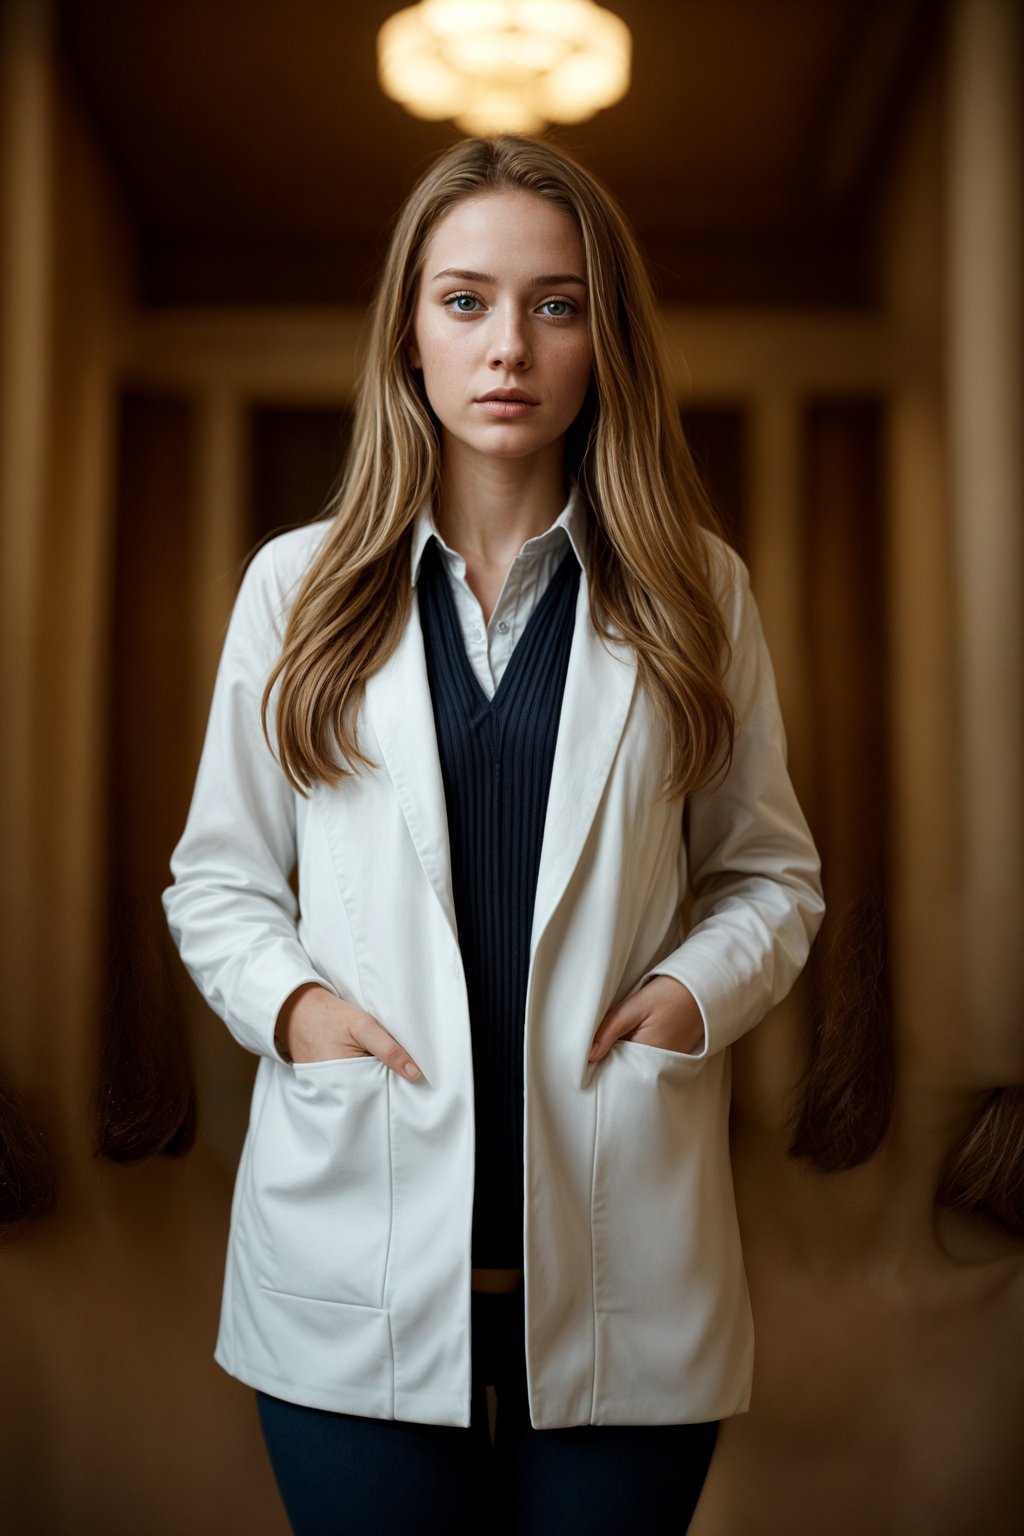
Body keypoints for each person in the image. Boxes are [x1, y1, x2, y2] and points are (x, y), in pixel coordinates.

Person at [163, 134, 824, 1536]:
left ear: (603, 340)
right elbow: (219, 880)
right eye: (464, 300)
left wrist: (688, 999)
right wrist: (297, 1013)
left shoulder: (698, 590)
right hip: (349, 1273)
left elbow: (770, 873)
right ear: (408, 333)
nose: (507, 345)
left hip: (626, 1279)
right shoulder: (298, 587)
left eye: (556, 303)